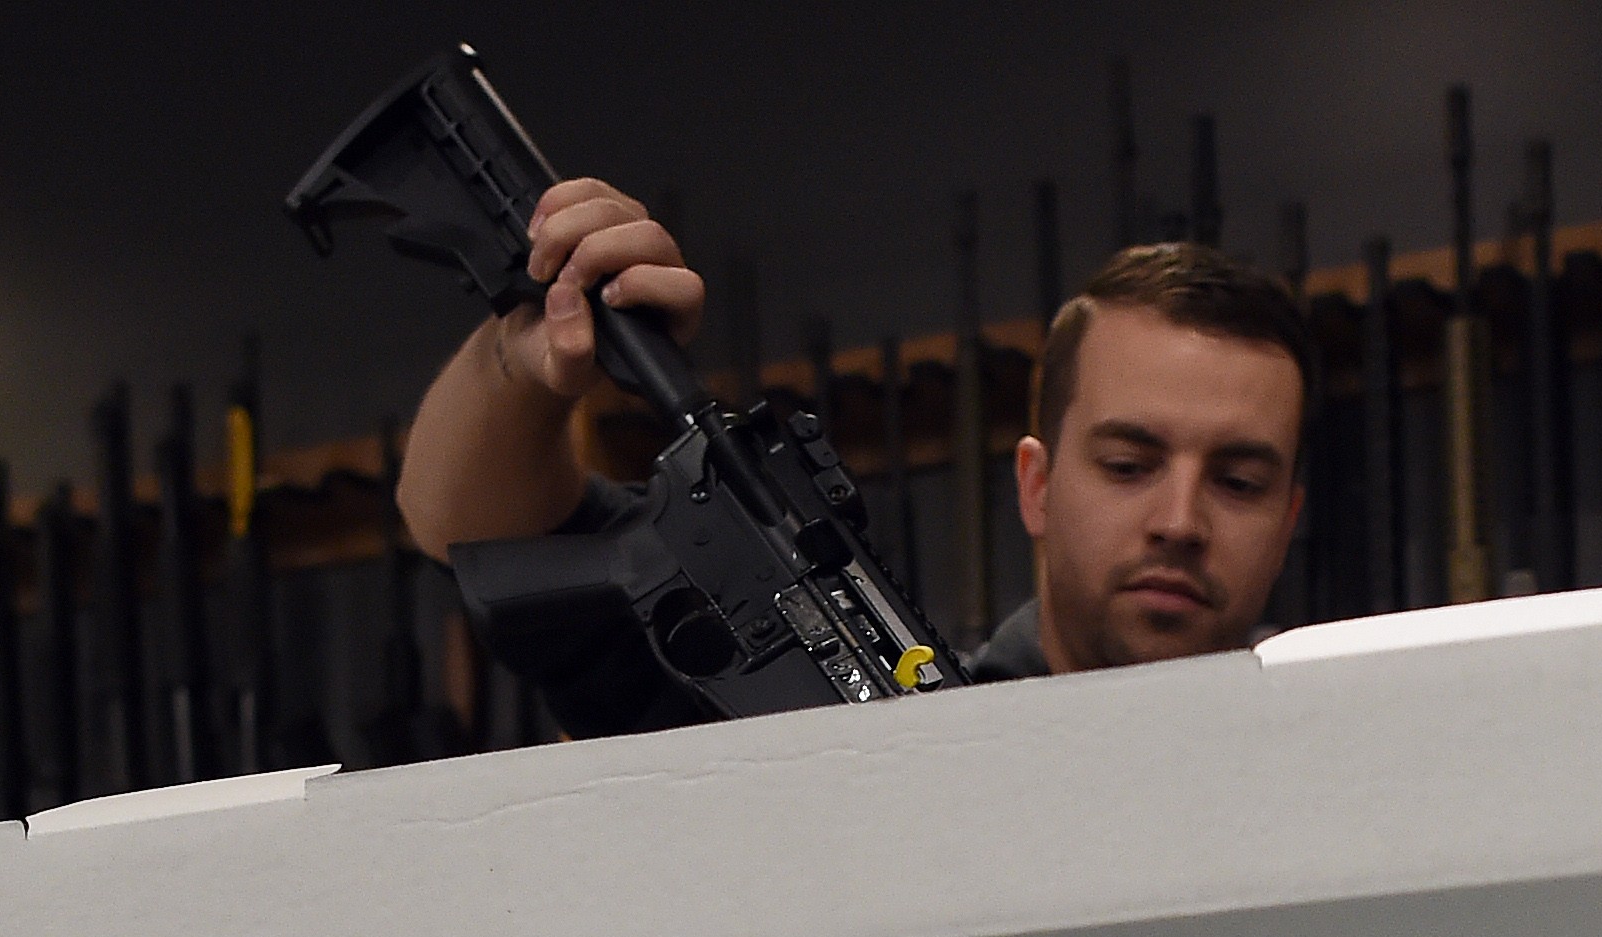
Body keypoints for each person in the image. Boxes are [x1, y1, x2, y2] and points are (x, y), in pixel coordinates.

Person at [393, 180, 1312, 731]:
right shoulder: (852, 713)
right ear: (1037, 484)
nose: (1180, 521)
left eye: (1237, 482)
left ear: (1288, 522)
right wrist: (529, 355)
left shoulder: (1360, 728)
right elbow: (466, 527)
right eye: (1128, 463)